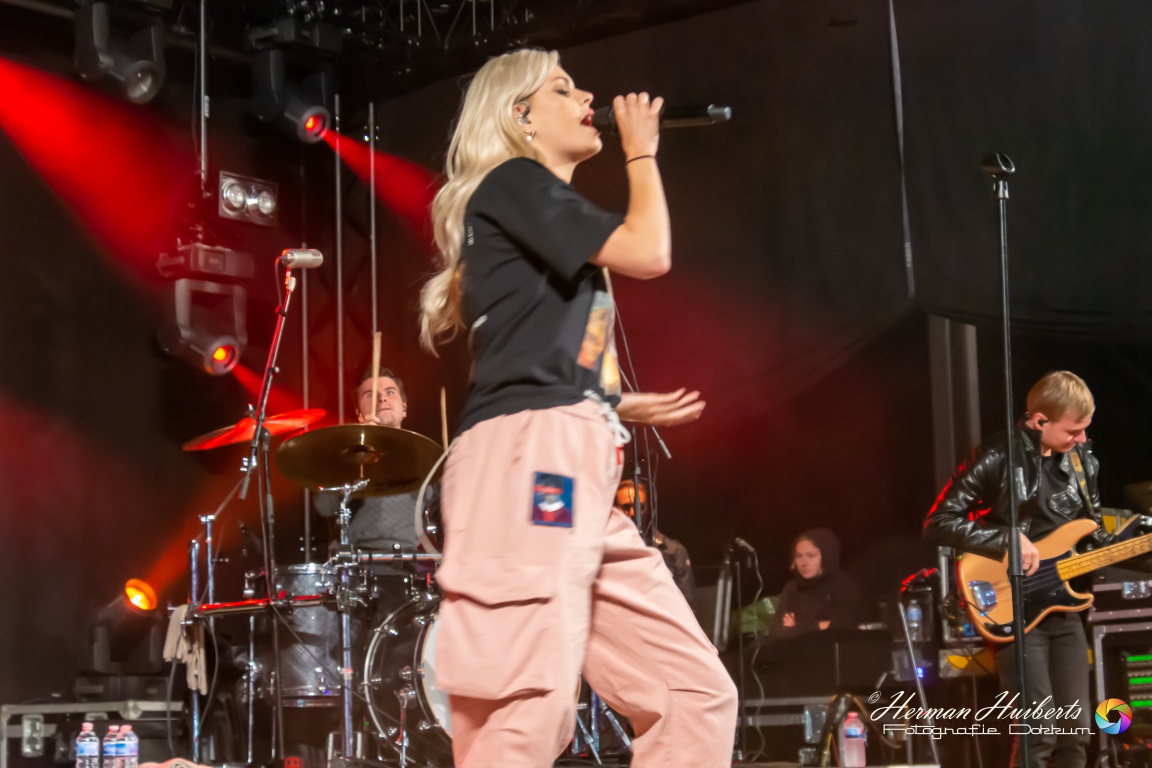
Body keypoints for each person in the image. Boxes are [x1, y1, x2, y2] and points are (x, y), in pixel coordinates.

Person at [418, 48, 737, 768]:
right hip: (529, 460)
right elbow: (649, 251)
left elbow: (528, 346)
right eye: (562, 88)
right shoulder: (512, 182)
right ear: (521, 117)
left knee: (693, 693)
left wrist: (612, 401)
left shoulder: (535, 213)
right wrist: (641, 152)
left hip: (571, 460)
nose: (587, 95)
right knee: (524, 706)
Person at [923, 371, 1101, 768]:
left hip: (1065, 605)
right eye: (1073, 431)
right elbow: (938, 523)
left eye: (1085, 429)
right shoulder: (997, 455)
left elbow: (1094, 533)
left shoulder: (1083, 462)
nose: (1081, 440)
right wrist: (1006, 538)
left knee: (1076, 734)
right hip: (1014, 604)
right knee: (1038, 734)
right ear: (1039, 420)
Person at [314, 367, 419, 554]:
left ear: (404, 408)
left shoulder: (424, 456)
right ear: (360, 414)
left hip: (407, 561)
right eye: (370, 395)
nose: (382, 398)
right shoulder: (347, 455)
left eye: (390, 392)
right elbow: (324, 507)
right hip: (355, 561)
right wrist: (358, 452)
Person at [768, 528, 863, 640]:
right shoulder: (792, 588)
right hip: (797, 650)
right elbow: (776, 632)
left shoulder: (844, 585)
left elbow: (841, 627)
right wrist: (820, 625)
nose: (804, 563)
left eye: (811, 556)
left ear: (826, 556)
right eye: (799, 556)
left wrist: (795, 628)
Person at [616, 478, 696, 608]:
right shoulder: (606, 549)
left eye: (639, 507)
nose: (633, 512)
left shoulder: (673, 550)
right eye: (626, 507)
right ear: (615, 509)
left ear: (649, 509)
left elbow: (687, 604)